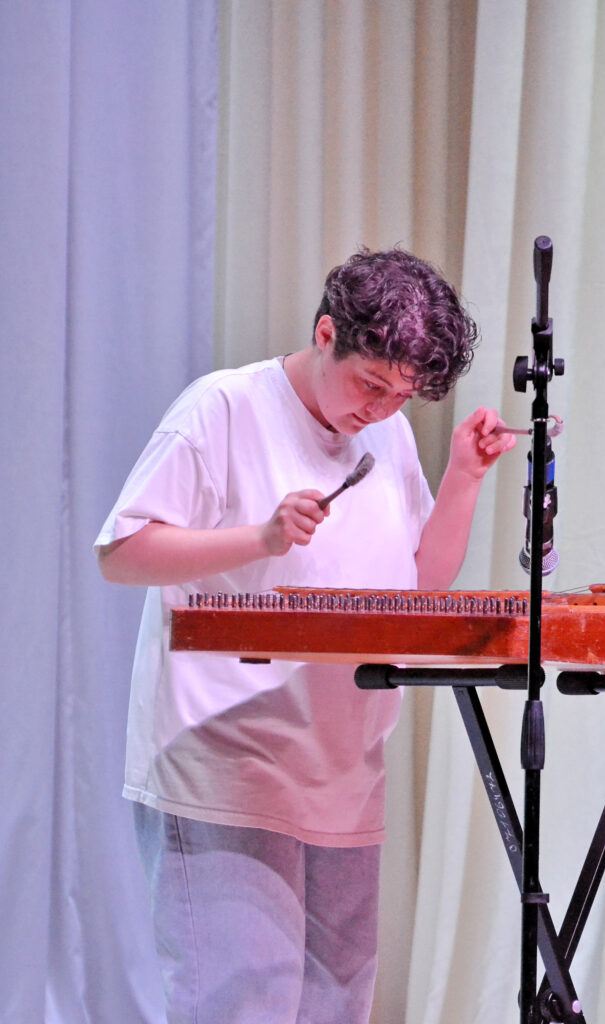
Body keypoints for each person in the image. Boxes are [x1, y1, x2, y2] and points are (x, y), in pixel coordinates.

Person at [95, 248, 516, 1024]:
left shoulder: (386, 438)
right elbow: (122, 552)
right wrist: (258, 537)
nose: (381, 410)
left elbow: (418, 589)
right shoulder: (223, 409)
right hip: (228, 766)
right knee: (241, 1004)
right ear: (326, 333)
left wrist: (462, 476)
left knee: (336, 1008)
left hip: (343, 769)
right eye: (371, 385)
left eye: (401, 396)